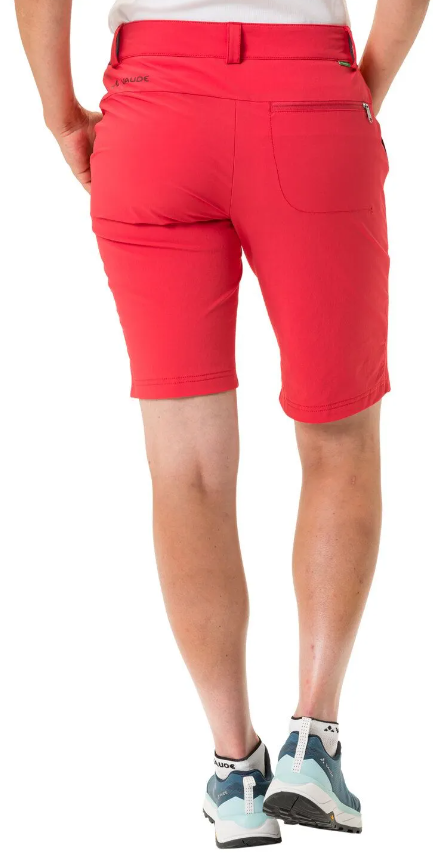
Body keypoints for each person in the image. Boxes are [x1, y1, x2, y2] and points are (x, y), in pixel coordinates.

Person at [15, 0, 430, 846]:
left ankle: (235, 768)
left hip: (151, 110)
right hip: (308, 99)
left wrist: (61, 113)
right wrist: (363, 89)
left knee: (188, 466)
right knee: (338, 437)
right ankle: (312, 742)